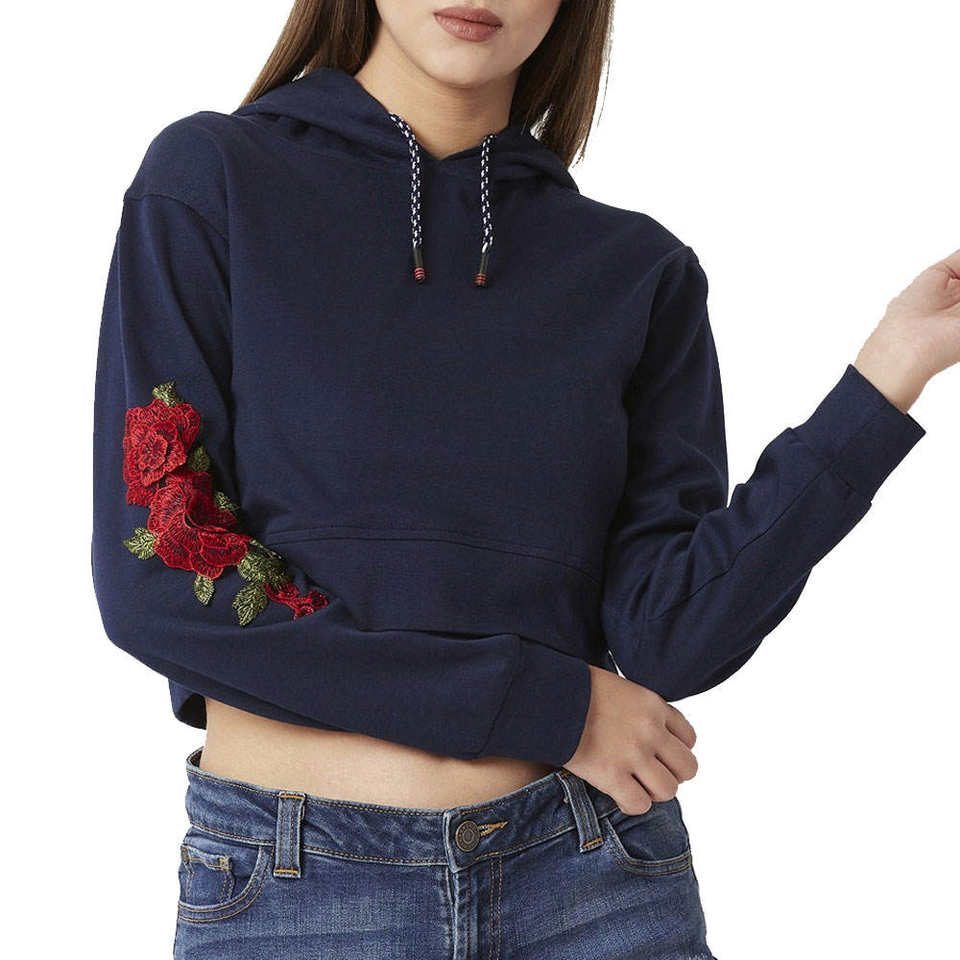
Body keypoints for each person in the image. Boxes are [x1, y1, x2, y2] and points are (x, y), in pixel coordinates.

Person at [90, 2, 958, 957]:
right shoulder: (213, 182)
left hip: (591, 886)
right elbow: (161, 580)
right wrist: (549, 706)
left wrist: (888, 375)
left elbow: (671, 636)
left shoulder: (637, 271)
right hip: (300, 893)